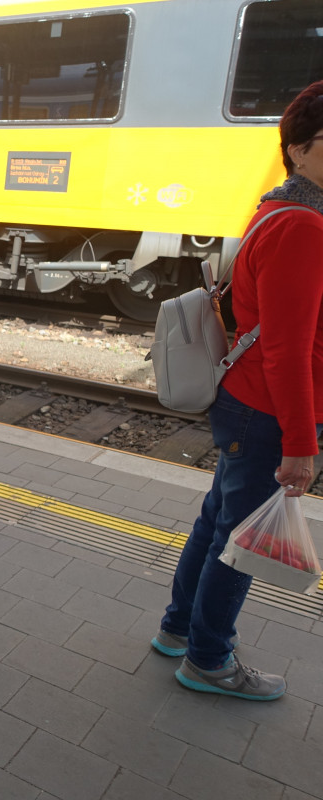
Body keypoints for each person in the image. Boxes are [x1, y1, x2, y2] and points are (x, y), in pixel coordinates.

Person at [152, 80, 323, 701]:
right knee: (241, 539)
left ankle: (179, 630)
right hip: (267, 412)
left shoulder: (277, 208)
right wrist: (301, 444)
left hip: (247, 403)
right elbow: (287, 348)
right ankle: (209, 659)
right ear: (298, 149)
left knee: (217, 522)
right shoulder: (304, 226)